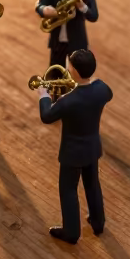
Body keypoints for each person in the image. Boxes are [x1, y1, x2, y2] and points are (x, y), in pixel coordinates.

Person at [37, 49, 113, 245]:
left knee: (68, 189)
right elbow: (106, 93)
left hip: (72, 152)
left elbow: (47, 116)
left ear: (75, 71)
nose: (68, 68)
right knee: (92, 183)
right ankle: (98, 222)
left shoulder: (68, 101)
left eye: (70, 66)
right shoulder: (101, 89)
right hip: (92, 148)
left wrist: (43, 95)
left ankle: (71, 232)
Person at [35, 0, 99, 71]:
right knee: (54, 74)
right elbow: (39, 5)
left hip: (77, 42)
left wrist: (82, 7)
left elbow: (94, 16)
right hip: (57, 42)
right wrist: (45, 10)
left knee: (78, 76)